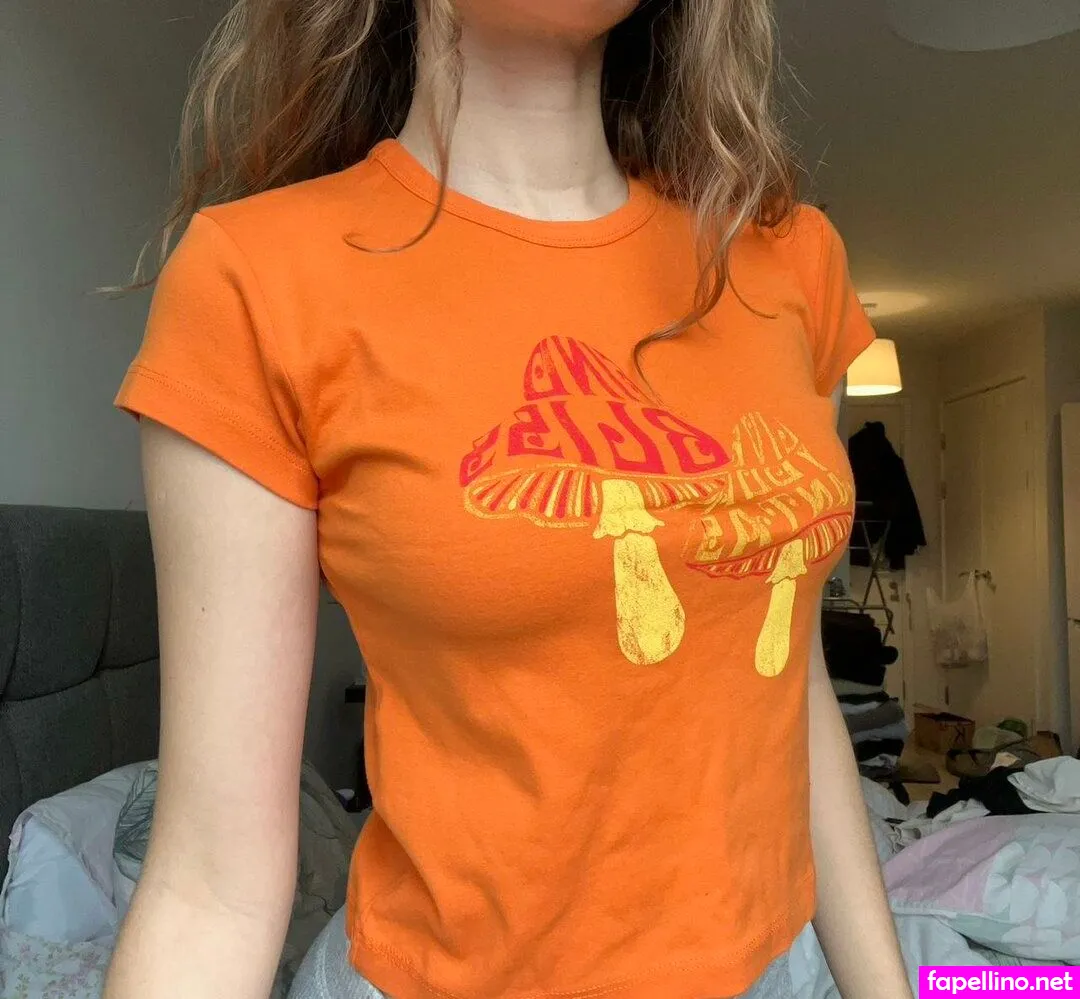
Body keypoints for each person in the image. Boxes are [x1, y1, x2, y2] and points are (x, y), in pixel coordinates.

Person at [104, 1, 914, 997]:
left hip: (777, 968)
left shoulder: (789, 258)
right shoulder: (256, 279)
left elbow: (786, 681)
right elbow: (211, 887)